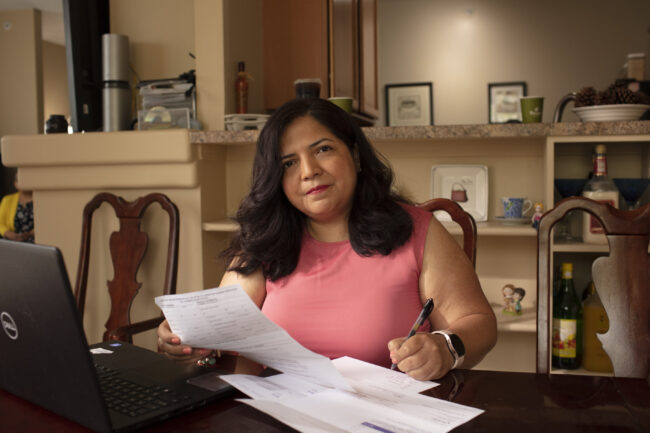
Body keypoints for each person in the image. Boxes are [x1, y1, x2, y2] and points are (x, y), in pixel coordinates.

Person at [158, 98, 496, 380]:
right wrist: (189, 343)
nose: (308, 171)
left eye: (322, 149)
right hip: (277, 417)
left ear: (356, 155)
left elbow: (479, 323)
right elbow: (220, 336)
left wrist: (446, 347)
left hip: (383, 419)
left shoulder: (417, 231)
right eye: (289, 163)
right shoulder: (264, 242)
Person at [0, 172, 34, 243]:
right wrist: (9, 234)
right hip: (12, 241)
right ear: (15, 184)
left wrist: (29, 234)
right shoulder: (7, 199)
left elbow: (47, 223)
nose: (23, 183)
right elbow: (0, 223)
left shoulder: (41, 200)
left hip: (35, 241)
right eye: (19, 180)